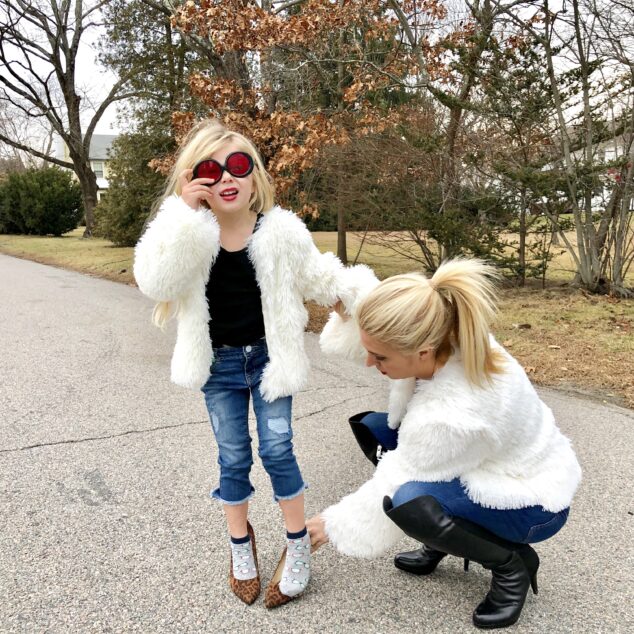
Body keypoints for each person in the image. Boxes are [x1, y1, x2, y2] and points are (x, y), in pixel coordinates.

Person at [133, 119, 375, 608]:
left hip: (270, 362)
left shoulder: (280, 231)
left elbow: (319, 277)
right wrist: (182, 213)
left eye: (238, 165)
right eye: (210, 169)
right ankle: (241, 546)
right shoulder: (191, 235)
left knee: (279, 450)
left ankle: (297, 547)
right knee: (233, 457)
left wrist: (361, 299)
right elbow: (154, 281)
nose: (226, 177)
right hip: (218, 367)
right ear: (194, 179)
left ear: (255, 176)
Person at [309, 259, 582, 629]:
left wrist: (333, 524)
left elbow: (396, 479)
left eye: (381, 357)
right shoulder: (441, 323)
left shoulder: (455, 412)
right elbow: (376, 307)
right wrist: (346, 307)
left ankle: (510, 564)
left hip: (532, 501)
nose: (371, 363)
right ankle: (443, 539)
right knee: (375, 428)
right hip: (484, 460)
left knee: (407, 502)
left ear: (422, 351)